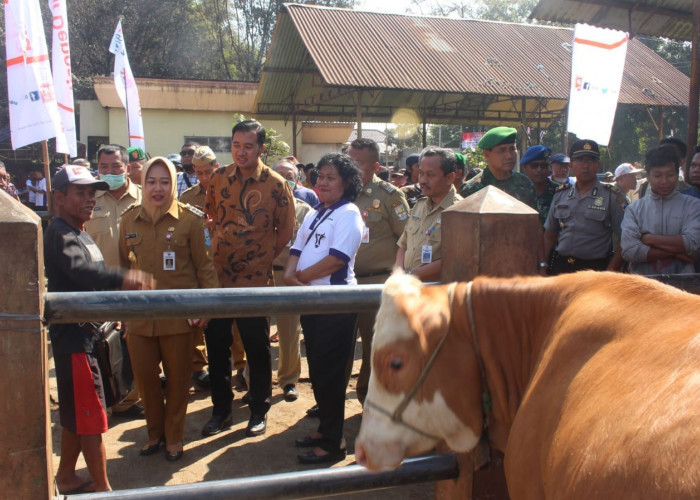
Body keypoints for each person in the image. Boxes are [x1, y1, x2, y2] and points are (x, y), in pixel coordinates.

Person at [45, 165, 153, 494]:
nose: (90, 198)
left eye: (92, 192)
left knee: (79, 414)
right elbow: (81, 273)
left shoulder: (79, 230)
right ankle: (103, 489)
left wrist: (111, 310)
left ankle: (66, 476)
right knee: (91, 419)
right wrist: (124, 279)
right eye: (81, 192)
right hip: (74, 340)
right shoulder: (59, 233)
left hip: (87, 335)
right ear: (59, 198)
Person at [119, 157, 219, 462]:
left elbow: (206, 269)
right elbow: (122, 271)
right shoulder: (128, 220)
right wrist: (123, 317)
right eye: (151, 181)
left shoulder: (191, 219)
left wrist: (207, 308)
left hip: (179, 319)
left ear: (173, 184)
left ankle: (174, 437)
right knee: (146, 380)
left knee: (178, 380)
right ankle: (154, 435)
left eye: (164, 181)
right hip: (139, 320)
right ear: (143, 183)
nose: (157, 188)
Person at [203, 119, 295, 438]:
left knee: (256, 349)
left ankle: (258, 409)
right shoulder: (217, 178)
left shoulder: (276, 184)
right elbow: (210, 216)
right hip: (218, 280)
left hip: (255, 282)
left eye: (248, 146)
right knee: (217, 347)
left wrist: (264, 257)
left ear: (261, 148)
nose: (241, 152)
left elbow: (285, 230)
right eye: (236, 145)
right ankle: (220, 410)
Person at [284, 153, 364, 464]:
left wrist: (298, 276)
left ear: (346, 183)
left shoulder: (349, 214)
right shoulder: (317, 211)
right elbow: (297, 247)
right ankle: (325, 429)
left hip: (336, 304)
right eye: (320, 176)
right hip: (312, 302)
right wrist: (291, 274)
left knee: (331, 373)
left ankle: (334, 443)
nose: (323, 182)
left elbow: (337, 259)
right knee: (317, 369)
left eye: (331, 177)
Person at [84, 144, 144, 418]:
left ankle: (131, 399)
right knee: (102, 349)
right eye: (104, 167)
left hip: (136, 289)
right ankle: (106, 399)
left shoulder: (144, 197)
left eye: (115, 167)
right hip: (99, 291)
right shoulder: (88, 199)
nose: (110, 172)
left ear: (127, 168)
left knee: (136, 349)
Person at [348, 138, 409, 405]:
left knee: (374, 346)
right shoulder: (340, 191)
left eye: (358, 163)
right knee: (340, 346)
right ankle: (331, 400)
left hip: (375, 285)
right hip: (341, 284)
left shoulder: (389, 196)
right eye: (349, 161)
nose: (351, 168)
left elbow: (406, 239)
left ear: (375, 166)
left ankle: (368, 399)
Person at [543, 139, 626, 274]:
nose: (585, 166)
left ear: (598, 165)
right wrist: (543, 265)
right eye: (580, 160)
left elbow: (625, 238)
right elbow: (549, 235)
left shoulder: (611, 196)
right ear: (571, 164)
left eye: (590, 160)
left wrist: (611, 270)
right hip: (562, 267)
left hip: (594, 269)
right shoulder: (561, 194)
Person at [621, 144, 700, 275]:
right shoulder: (635, 209)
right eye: (657, 176)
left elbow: (693, 243)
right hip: (643, 284)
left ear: (677, 173)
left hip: (683, 287)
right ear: (648, 175)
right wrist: (680, 253)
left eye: (670, 175)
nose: (664, 181)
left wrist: (648, 239)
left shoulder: (693, 205)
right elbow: (630, 251)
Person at [272, 161, 313, 402]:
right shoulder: (257, 205)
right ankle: (251, 378)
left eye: (289, 176)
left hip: (289, 277)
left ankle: (288, 380)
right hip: (262, 276)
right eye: (279, 176)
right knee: (255, 331)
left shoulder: (305, 211)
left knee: (289, 332)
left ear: (297, 181)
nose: (284, 181)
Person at [180, 145, 220, 387]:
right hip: (198, 265)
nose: (204, 177)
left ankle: (240, 365)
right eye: (199, 172)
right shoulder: (186, 199)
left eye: (208, 171)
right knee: (196, 320)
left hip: (224, 265)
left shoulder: (230, 193)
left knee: (230, 321)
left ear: (216, 167)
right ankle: (198, 367)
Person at [395, 147, 462, 281]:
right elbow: (403, 245)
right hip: (408, 288)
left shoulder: (461, 210)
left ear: (450, 178)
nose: (423, 180)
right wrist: (398, 274)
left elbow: (457, 259)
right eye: (421, 173)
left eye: (430, 175)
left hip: (435, 293)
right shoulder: (419, 206)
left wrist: (410, 276)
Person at [460, 126, 537, 209]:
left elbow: (534, 219)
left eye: (512, 149)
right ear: (486, 154)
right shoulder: (472, 189)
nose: (509, 156)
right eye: (502, 150)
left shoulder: (525, 184)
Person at [520, 144, 558, 226]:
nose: (539, 170)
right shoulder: (517, 192)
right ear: (525, 167)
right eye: (534, 166)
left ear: (549, 167)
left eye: (544, 165)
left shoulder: (560, 192)